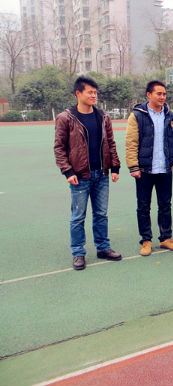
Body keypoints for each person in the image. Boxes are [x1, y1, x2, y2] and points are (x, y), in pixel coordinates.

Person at [54, 76, 122, 270]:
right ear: (78, 93)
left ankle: (103, 248)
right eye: (90, 92)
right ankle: (78, 253)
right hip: (79, 176)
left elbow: (110, 143)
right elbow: (59, 148)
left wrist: (115, 167)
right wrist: (68, 171)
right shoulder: (66, 118)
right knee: (78, 216)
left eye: (95, 92)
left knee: (101, 214)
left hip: (102, 174)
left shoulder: (103, 116)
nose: (94, 95)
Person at [125, 80, 173, 256]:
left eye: (164, 94)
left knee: (165, 205)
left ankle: (166, 238)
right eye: (159, 93)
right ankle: (146, 240)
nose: (162, 97)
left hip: (165, 169)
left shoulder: (171, 116)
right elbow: (131, 143)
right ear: (149, 95)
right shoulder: (137, 115)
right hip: (144, 170)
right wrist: (133, 166)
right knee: (143, 207)